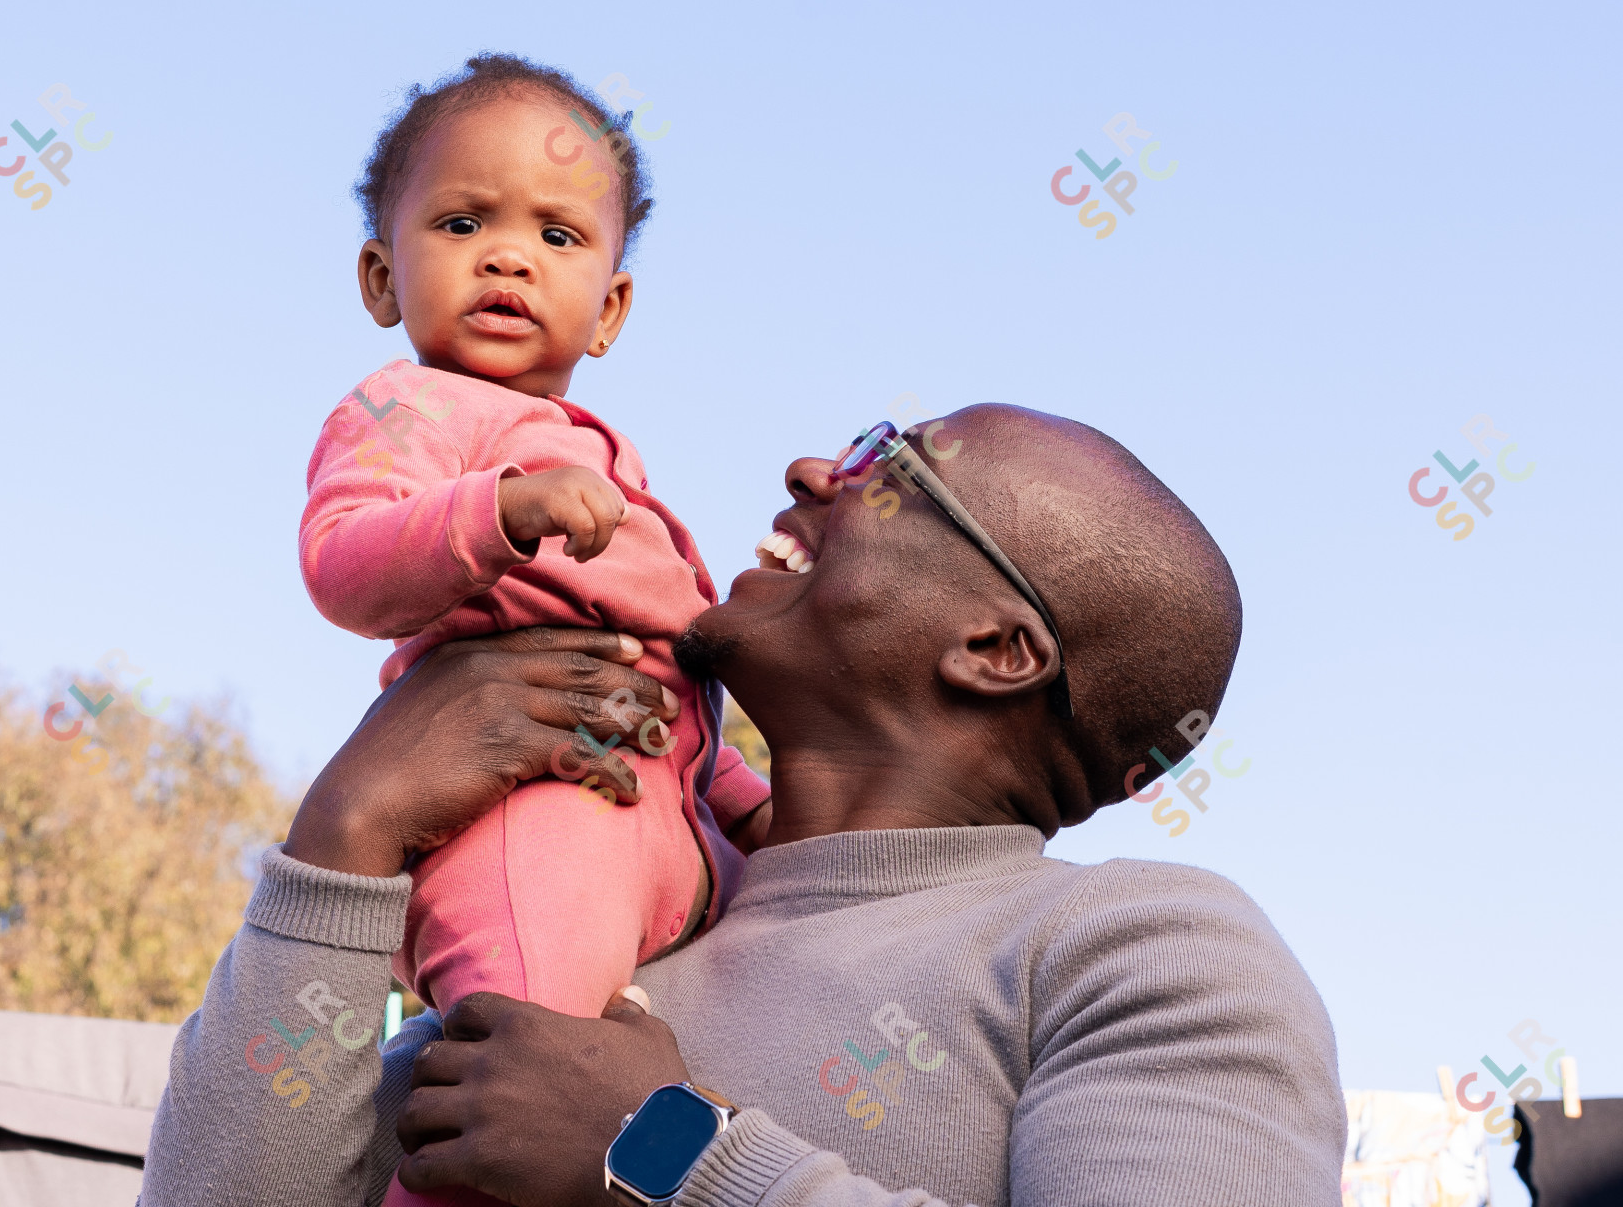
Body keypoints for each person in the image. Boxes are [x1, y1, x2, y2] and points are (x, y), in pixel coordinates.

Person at [143, 405, 1347, 1207]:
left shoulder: (1151, 950)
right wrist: (343, 841)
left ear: (994, 647)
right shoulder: (597, 945)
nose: (814, 471)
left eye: (895, 467)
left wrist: (661, 1147)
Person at [298, 54, 773, 1207]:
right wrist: (491, 515)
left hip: (661, 829)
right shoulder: (407, 410)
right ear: (380, 276)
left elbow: (678, 715)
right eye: (463, 222)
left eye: (560, 237)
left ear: (609, 307)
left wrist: (765, 818)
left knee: (657, 1058)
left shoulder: (613, 457)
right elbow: (344, 565)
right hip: (536, 823)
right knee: (522, 1065)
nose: (510, 255)